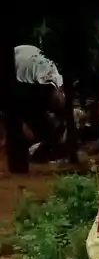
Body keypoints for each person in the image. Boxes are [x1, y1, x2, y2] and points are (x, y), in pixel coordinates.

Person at [3, 45, 66, 174]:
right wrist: (21, 125)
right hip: (20, 74)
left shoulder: (55, 80)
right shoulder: (34, 88)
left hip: (27, 66)